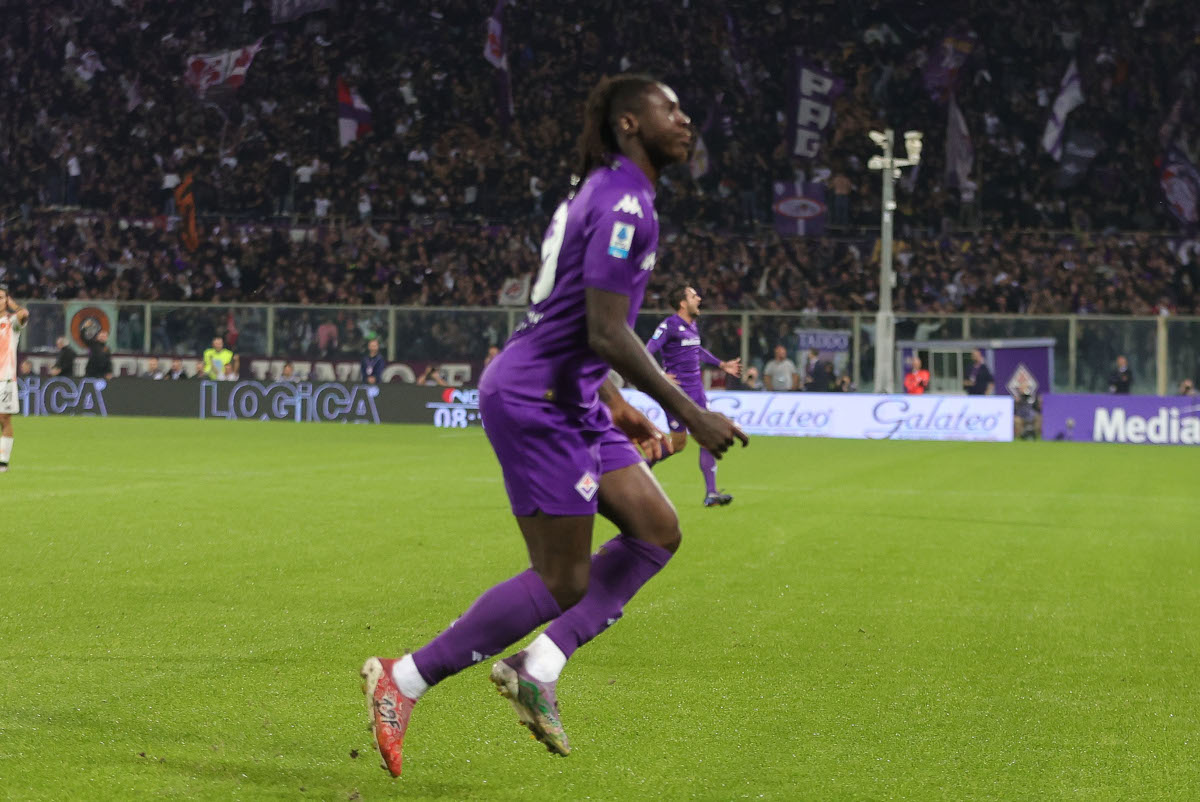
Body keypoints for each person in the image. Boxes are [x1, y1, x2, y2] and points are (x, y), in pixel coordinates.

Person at [361, 73, 747, 777]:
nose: (687, 121)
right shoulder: (625, 200)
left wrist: (616, 403)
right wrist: (688, 410)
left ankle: (538, 665)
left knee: (657, 530)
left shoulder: (605, 192)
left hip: (572, 394)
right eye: (672, 109)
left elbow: (577, 318)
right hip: (538, 401)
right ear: (631, 123)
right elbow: (604, 329)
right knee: (563, 578)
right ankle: (405, 677)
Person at [645, 283, 742, 506]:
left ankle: (712, 493)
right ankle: (640, 467)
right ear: (682, 302)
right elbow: (646, 351)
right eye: (693, 295)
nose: (699, 298)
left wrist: (721, 364)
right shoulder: (669, 325)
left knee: (706, 438)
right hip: (676, 395)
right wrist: (659, 374)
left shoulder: (692, 325)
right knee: (678, 445)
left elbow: (696, 350)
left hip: (696, 393)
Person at [0, 285, 29, 472]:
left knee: (4, 418)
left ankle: (3, 461)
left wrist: (15, 306)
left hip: (5, 378)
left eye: (1, 297)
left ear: (7, 300)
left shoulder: (11, 321)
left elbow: (24, 314)